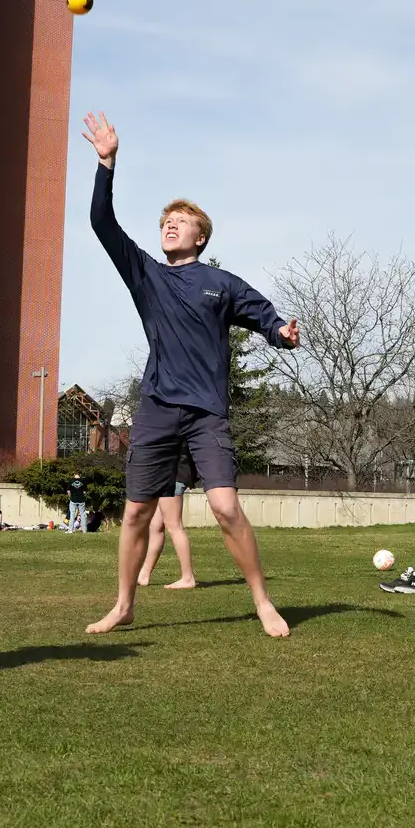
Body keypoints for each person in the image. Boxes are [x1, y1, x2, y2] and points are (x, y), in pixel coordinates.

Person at [80, 110, 301, 637]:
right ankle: (125, 604)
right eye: (163, 222)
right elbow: (102, 224)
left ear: (201, 237)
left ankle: (263, 602)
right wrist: (107, 164)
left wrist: (281, 333)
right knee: (136, 513)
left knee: (225, 507)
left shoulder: (220, 283)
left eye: (180, 222)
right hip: (157, 409)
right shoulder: (147, 275)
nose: (168, 225)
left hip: (206, 414)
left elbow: (265, 314)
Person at [139, 476, 200, 589]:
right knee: (156, 526)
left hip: (172, 477)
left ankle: (188, 578)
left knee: (174, 525)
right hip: (165, 478)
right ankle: (144, 575)